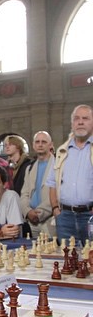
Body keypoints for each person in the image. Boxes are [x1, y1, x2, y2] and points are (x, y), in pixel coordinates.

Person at [46, 104, 93, 245]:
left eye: (85, 118)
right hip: (65, 216)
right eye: (76, 119)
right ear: (72, 124)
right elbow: (52, 183)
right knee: (67, 262)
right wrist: (55, 209)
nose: (80, 122)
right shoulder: (61, 152)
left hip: (90, 216)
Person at [20, 131, 55, 238]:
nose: (40, 144)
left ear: (51, 145)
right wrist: (28, 211)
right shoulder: (29, 168)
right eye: (37, 142)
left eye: (44, 142)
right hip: (32, 221)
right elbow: (24, 193)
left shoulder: (58, 166)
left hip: (49, 219)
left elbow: (58, 193)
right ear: (33, 145)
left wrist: (40, 213)